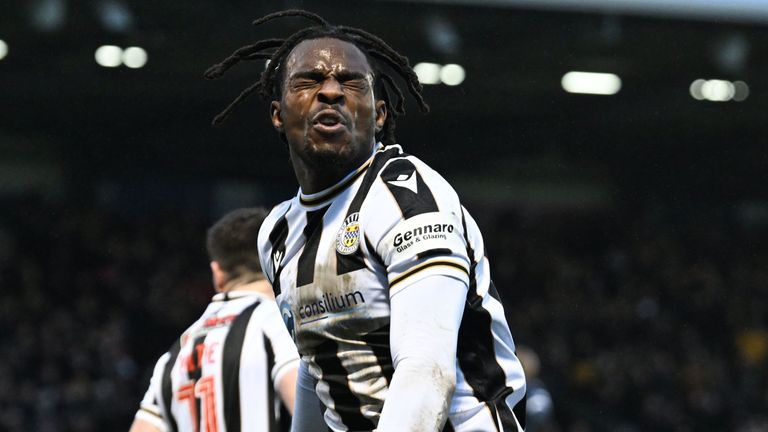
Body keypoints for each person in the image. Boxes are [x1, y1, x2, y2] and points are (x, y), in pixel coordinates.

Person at [205, 10, 527, 432]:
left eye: (351, 81)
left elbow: (427, 372)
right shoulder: (277, 235)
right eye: (309, 80)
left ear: (378, 116)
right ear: (278, 114)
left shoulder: (407, 196)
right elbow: (315, 365)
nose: (332, 92)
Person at [129, 208, 300, 432]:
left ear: (217, 273)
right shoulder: (276, 323)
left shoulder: (177, 352)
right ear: (279, 261)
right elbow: (307, 409)